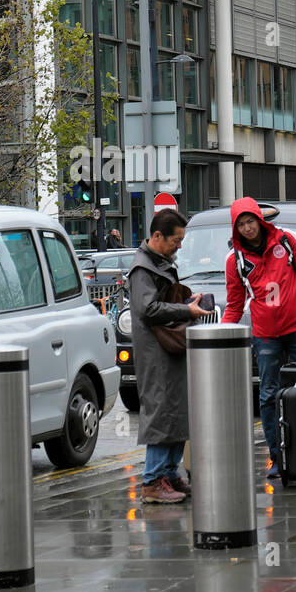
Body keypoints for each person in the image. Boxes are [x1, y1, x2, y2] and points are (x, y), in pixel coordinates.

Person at [221, 197, 296, 480]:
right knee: (268, 395)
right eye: (241, 224)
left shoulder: (286, 241)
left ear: (260, 220)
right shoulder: (236, 260)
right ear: (235, 228)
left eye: (250, 221)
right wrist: (219, 336)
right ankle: (277, 456)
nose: (247, 228)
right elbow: (234, 304)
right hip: (265, 335)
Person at [128, 208, 212, 504]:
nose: (179, 245)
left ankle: (169, 473)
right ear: (157, 236)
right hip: (156, 351)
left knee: (177, 412)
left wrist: (187, 302)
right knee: (161, 414)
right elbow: (147, 310)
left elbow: (162, 302)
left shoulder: (159, 262)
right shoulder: (142, 269)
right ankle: (152, 482)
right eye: (176, 240)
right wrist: (186, 310)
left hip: (170, 347)